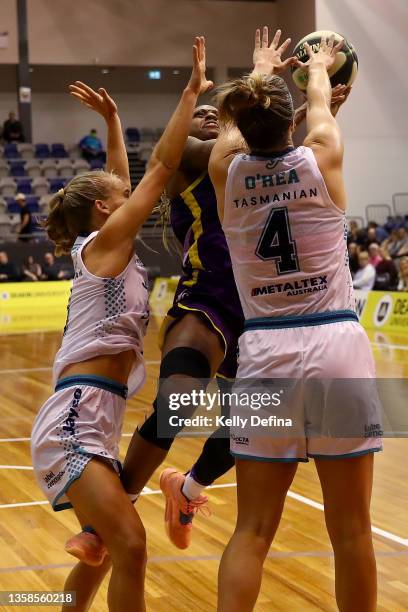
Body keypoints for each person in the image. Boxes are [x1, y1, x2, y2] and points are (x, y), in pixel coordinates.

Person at [31, 36, 213, 612]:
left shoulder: (111, 243)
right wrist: (188, 95)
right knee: (131, 545)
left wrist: (113, 119)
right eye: (122, 194)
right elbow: (160, 166)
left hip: (97, 418)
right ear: (108, 210)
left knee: (107, 550)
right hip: (76, 419)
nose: (132, 192)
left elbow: (119, 175)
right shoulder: (104, 244)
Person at [209, 28, 380, 611]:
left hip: (265, 351)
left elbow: (242, 130)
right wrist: (319, 69)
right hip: (335, 340)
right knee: (352, 532)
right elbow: (321, 113)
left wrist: (262, 69)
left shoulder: (223, 173)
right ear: (295, 124)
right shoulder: (323, 153)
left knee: (251, 531)